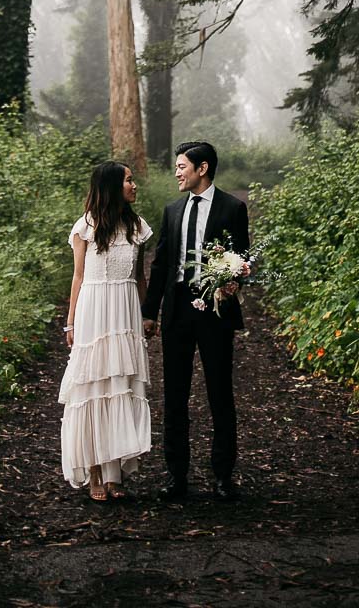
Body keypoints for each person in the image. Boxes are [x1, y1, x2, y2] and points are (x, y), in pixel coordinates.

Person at [142, 140, 249, 501]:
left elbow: (242, 256)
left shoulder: (233, 207)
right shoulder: (172, 210)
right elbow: (160, 264)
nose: (177, 172)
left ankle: (223, 476)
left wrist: (235, 280)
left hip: (216, 310)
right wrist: (149, 312)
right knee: (175, 395)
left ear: (202, 169)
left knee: (220, 393)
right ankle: (176, 476)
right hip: (177, 312)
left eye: (182, 166)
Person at [59, 160, 152, 501]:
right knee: (94, 386)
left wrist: (147, 314)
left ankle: (115, 473)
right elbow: (79, 277)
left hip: (125, 312)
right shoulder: (85, 227)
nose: (134, 185)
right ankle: (95, 471)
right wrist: (70, 322)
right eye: (129, 180)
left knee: (121, 387)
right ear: (112, 186)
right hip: (94, 312)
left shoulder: (137, 227)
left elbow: (140, 278)